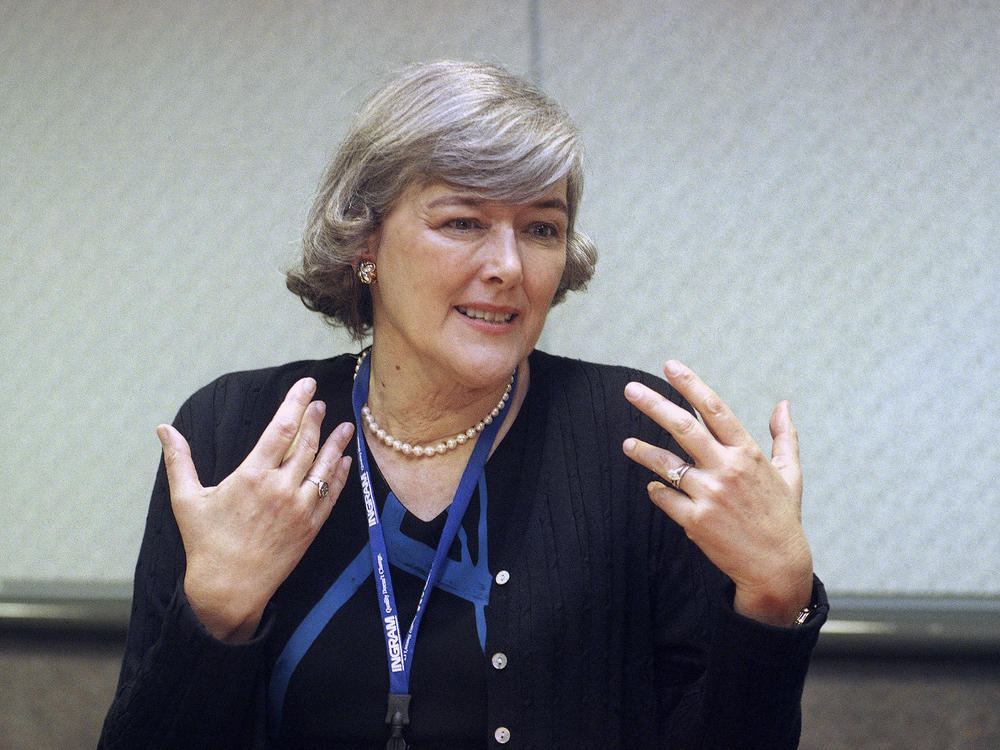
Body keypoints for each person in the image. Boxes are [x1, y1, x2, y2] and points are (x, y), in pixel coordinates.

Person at [99, 60, 826, 750]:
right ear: (365, 243)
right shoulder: (241, 434)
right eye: (462, 222)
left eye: (541, 228)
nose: (508, 267)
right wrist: (216, 613)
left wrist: (773, 600)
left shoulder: (634, 442)